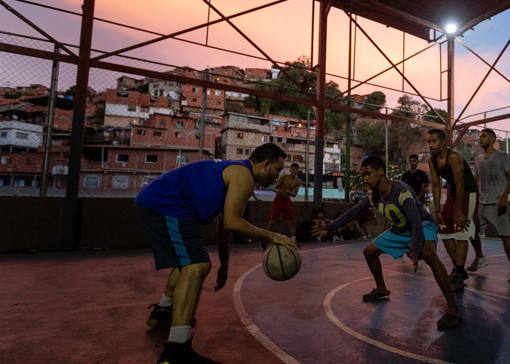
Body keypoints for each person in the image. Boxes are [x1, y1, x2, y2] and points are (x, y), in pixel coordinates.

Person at [136, 143, 297, 364]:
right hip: (166, 204)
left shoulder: (239, 173)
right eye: (278, 169)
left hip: (167, 204)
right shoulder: (244, 175)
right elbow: (233, 222)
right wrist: (274, 236)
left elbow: (224, 224)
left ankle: (163, 311)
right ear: (266, 164)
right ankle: (176, 352)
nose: (278, 175)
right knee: (197, 265)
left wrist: (225, 263)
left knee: (189, 261)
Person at [312, 156, 462, 330]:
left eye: (368, 174)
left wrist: (414, 248)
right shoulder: (374, 195)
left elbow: (415, 222)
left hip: (423, 225)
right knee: (369, 252)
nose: (365, 178)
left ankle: (453, 310)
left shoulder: (401, 191)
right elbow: (353, 212)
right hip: (399, 230)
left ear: (381, 171)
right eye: (363, 175)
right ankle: (381, 289)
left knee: (429, 254)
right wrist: (329, 227)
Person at [427, 129, 479, 291]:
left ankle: (458, 270)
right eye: (429, 142)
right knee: (444, 231)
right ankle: (459, 268)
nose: (431, 144)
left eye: (434, 141)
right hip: (452, 194)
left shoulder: (454, 157)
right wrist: (437, 211)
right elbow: (436, 185)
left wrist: (459, 212)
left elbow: (461, 184)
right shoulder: (432, 160)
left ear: (444, 142)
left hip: (468, 193)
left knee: (462, 232)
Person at [470, 129, 510, 282]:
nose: (480, 139)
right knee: (471, 231)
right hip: (481, 204)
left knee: (505, 236)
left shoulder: (503, 156)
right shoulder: (478, 160)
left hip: (497, 204)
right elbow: (477, 180)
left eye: (484, 136)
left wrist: (505, 195)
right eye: (479, 137)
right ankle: (480, 258)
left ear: (492, 139)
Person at [263, 163, 301, 249]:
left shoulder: (297, 181)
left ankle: (293, 240)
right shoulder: (284, 177)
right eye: (293, 169)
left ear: (298, 171)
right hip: (279, 199)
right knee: (273, 220)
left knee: (292, 221)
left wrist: (289, 193)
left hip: (287, 200)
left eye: (296, 169)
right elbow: (275, 188)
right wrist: (281, 192)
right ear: (290, 170)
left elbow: (294, 194)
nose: (294, 171)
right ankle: (263, 238)